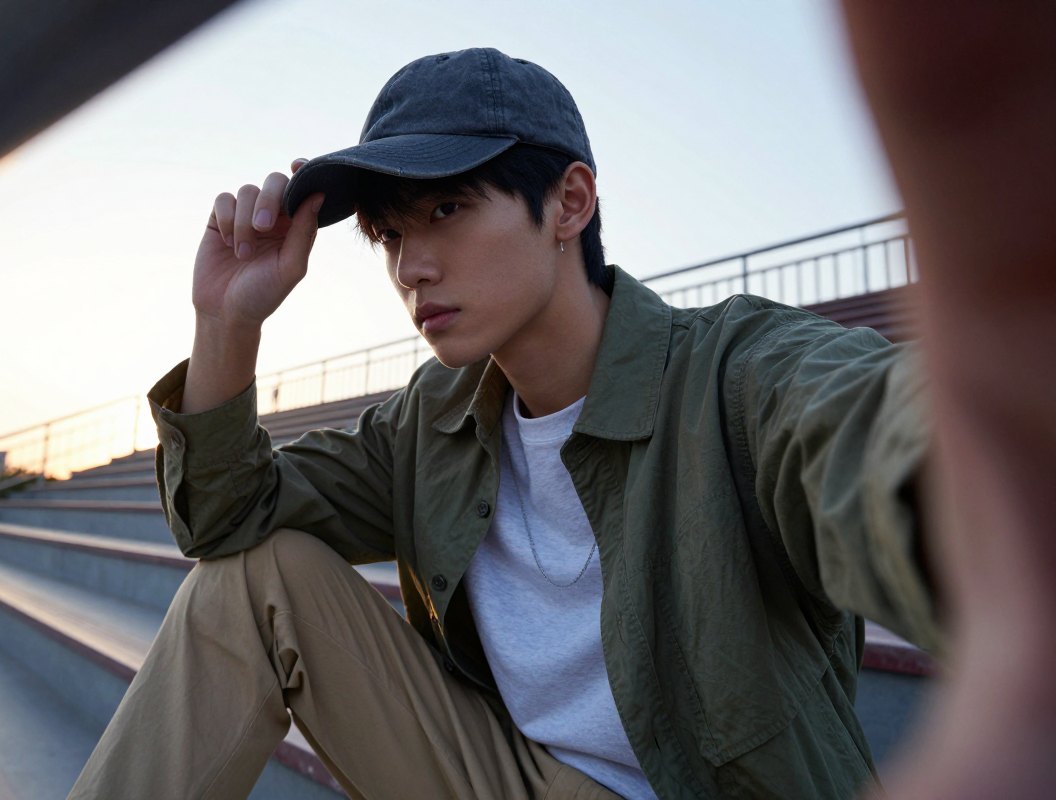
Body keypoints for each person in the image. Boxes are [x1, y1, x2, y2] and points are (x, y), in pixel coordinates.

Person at [72, 1, 1056, 796]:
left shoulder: (735, 375)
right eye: (388, 235)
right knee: (250, 577)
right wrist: (227, 322)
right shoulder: (434, 417)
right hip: (505, 776)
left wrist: (991, 502)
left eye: (448, 209)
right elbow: (226, 518)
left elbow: (873, 446)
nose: (413, 264)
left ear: (570, 203)